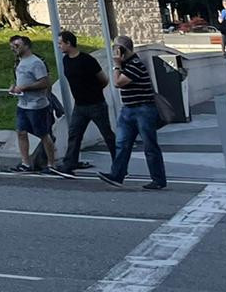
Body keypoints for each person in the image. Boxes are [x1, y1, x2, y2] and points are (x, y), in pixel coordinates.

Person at [98, 36, 167, 190]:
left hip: (143, 109)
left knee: (150, 146)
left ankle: (158, 179)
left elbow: (118, 83)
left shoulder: (135, 64)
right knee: (122, 144)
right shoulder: (126, 64)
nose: (115, 51)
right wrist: (119, 65)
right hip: (128, 109)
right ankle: (117, 175)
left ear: (124, 49)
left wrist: (117, 65)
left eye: (117, 48)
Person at [55, 30, 115, 174]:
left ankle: (119, 164)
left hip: (96, 104)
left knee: (107, 134)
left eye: (60, 43)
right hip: (79, 105)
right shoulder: (66, 60)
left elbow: (103, 80)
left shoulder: (87, 60)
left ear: (69, 43)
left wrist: (94, 91)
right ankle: (70, 164)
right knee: (74, 134)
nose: (59, 46)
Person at [8, 35, 68, 176]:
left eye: (16, 45)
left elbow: (44, 82)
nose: (14, 49)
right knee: (21, 132)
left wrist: (25, 88)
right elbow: (20, 80)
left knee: (44, 134)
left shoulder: (36, 62)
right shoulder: (19, 62)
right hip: (23, 104)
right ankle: (25, 163)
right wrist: (15, 87)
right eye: (11, 46)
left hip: (37, 105)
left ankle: (51, 164)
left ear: (26, 45)